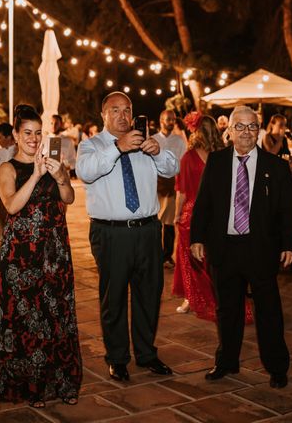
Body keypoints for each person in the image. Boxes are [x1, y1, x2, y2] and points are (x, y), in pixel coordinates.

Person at [190, 105, 292, 389]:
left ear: (258, 130)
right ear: (230, 131)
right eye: (240, 126)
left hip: (260, 248)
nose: (247, 132)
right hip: (223, 248)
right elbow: (203, 205)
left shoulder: (275, 166)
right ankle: (226, 362)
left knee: (269, 310)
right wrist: (196, 238)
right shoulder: (216, 161)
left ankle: (277, 367)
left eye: (252, 126)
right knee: (227, 310)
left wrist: (289, 244)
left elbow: (288, 209)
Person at [76, 91, 179, 382]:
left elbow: (173, 168)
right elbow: (86, 172)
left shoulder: (146, 143)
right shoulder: (91, 146)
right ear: (104, 115)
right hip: (111, 233)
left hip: (148, 230)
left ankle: (147, 354)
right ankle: (117, 357)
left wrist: (158, 151)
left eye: (127, 110)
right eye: (115, 110)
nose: (123, 116)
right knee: (115, 297)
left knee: (149, 294)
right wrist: (118, 148)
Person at [0, 105, 82, 408]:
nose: (33, 138)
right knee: (27, 322)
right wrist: (35, 174)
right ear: (16, 135)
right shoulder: (7, 168)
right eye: (27, 133)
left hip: (55, 252)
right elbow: (12, 206)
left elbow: (68, 197)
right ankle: (33, 388)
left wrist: (60, 177)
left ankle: (63, 383)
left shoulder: (55, 163)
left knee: (58, 317)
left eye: (37, 132)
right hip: (20, 258)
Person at [172, 113, 255, 323]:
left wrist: (175, 216)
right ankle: (221, 297)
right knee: (215, 260)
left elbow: (181, 192)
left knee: (189, 259)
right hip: (219, 214)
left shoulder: (189, 157)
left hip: (192, 214)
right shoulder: (224, 155)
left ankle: (193, 299)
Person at [152, 109, 187, 267]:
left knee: (170, 222)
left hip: (172, 183)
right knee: (155, 221)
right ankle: (155, 255)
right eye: (168, 119)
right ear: (161, 120)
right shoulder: (152, 139)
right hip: (155, 184)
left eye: (173, 119)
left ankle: (166, 256)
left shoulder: (179, 141)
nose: (171, 122)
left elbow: (182, 163)